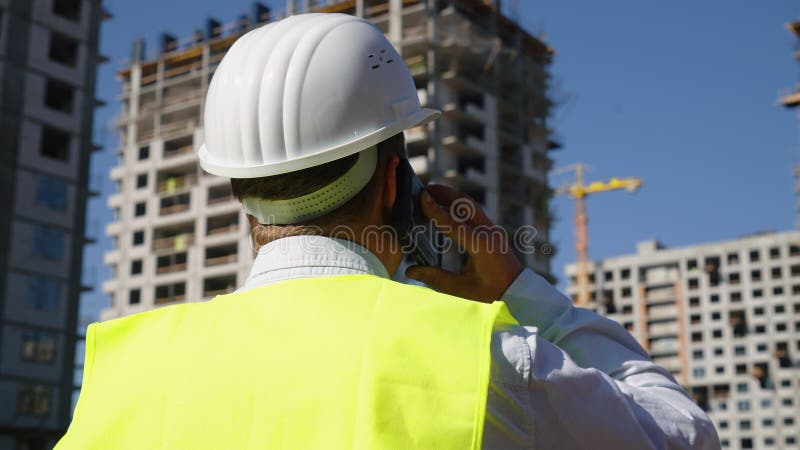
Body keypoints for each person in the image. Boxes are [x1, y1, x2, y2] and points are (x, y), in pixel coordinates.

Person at [56, 13, 719, 449]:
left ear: (241, 193)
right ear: (397, 183)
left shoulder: (123, 373)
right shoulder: (485, 361)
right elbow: (686, 437)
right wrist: (524, 291)